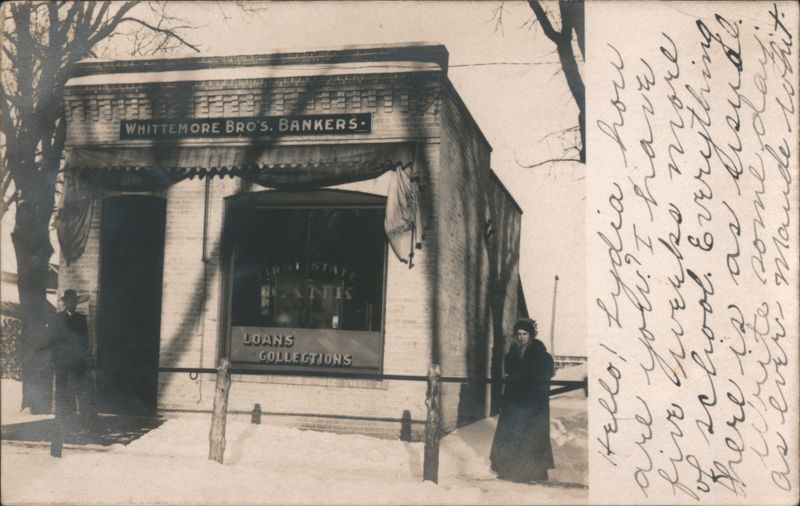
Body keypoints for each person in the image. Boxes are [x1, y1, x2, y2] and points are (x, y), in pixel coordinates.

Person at [490, 318, 555, 483]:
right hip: (514, 402)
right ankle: (509, 471)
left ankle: (533, 474)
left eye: (525, 334)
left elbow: (546, 375)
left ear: (531, 335)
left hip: (533, 404)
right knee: (512, 435)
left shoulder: (541, 354)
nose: (521, 337)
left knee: (532, 436)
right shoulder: (511, 354)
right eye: (518, 334)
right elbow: (509, 374)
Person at [49, 289, 92, 418]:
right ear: (65, 303)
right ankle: (61, 412)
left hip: (76, 359)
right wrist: (55, 358)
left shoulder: (81, 319)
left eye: (74, 302)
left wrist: (82, 356)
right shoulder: (57, 318)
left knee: (78, 385)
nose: (72, 304)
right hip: (62, 359)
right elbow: (53, 339)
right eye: (69, 301)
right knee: (61, 385)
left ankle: (79, 411)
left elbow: (85, 339)